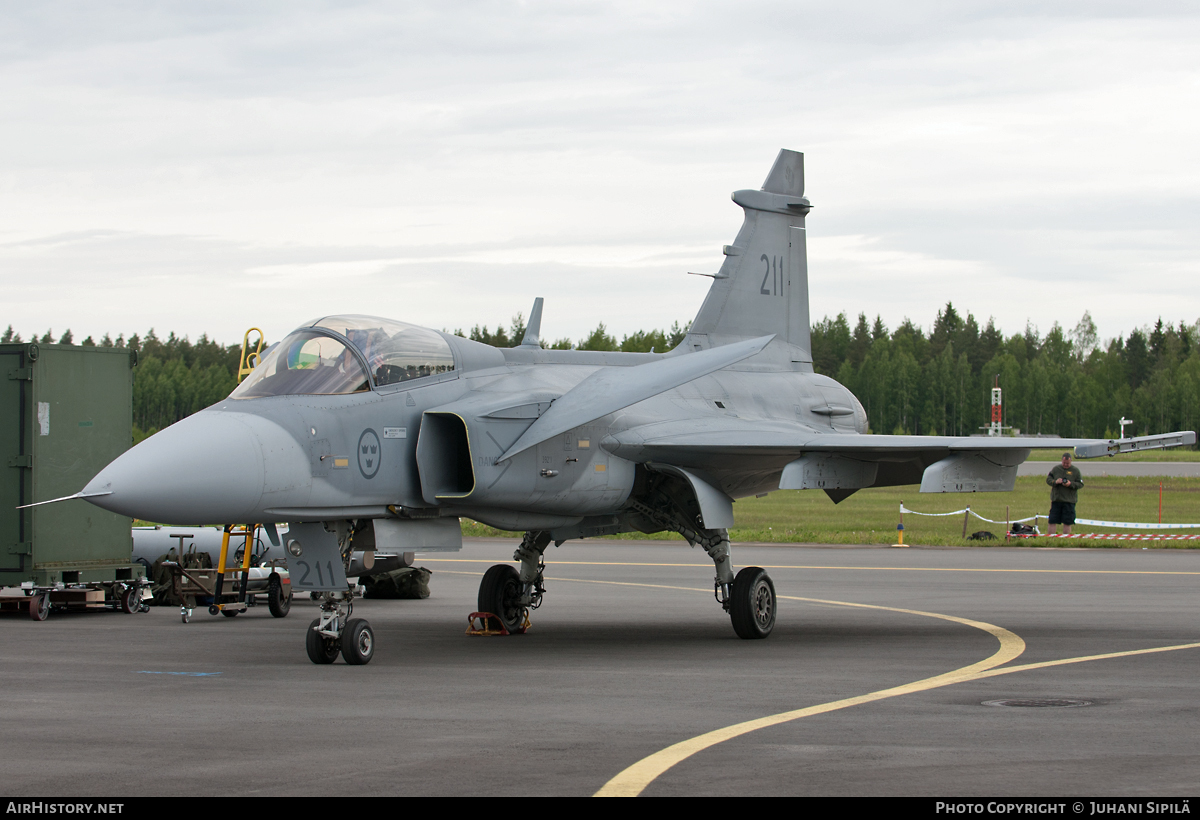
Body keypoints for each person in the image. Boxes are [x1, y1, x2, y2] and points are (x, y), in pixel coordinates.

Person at [1046, 452, 1084, 535]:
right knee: (1052, 520)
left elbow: (1080, 484)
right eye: (1064, 463)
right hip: (1057, 500)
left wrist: (1070, 484)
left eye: (1067, 463)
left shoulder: (1075, 471)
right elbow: (1048, 480)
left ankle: (1066, 538)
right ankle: (1050, 538)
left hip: (1069, 501)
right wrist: (1055, 482)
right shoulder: (1056, 469)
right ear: (1061, 461)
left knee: (1067, 522)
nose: (1065, 465)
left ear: (1071, 462)